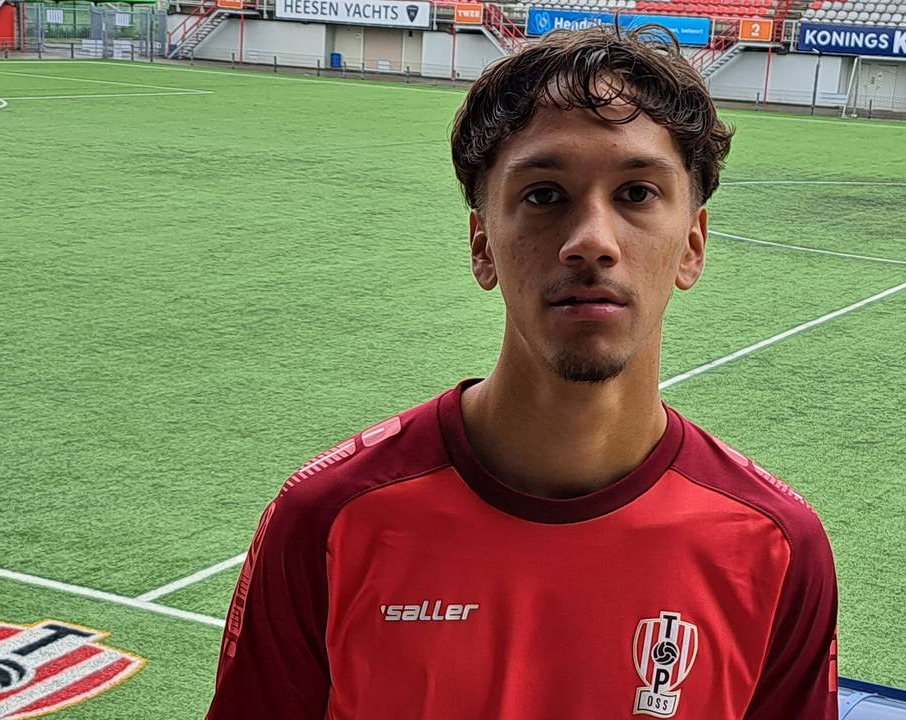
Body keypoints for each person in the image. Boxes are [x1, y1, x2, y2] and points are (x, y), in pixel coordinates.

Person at [205, 23, 838, 720]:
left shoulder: (775, 549)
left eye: (636, 194)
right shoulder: (327, 520)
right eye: (543, 195)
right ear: (482, 246)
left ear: (692, 245)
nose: (592, 241)